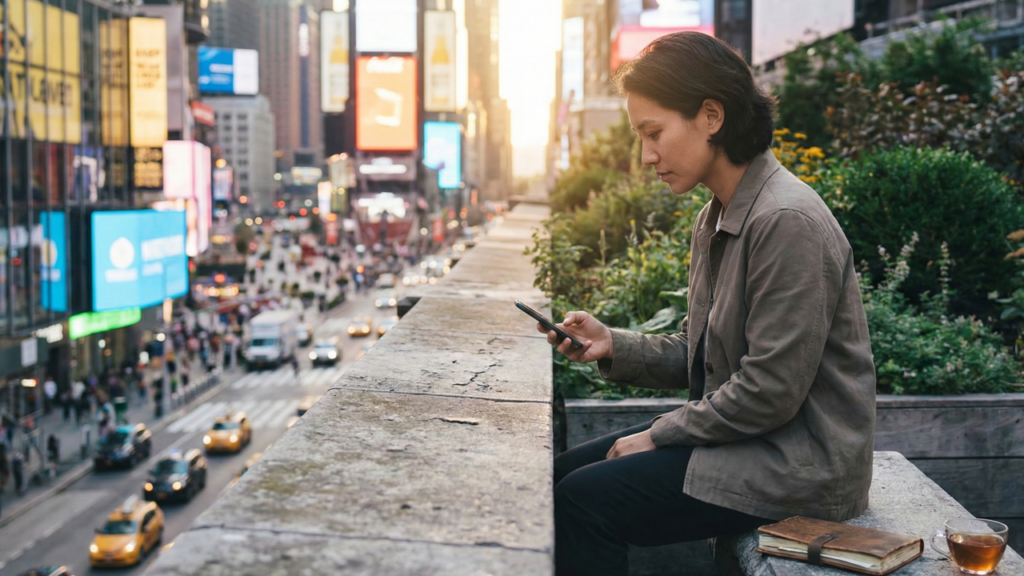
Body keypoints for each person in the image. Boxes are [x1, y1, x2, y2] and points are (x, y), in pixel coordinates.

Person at [543, 32, 876, 576]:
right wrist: (612, 344)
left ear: (712, 116)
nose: (647, 156)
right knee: (556, 475)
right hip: (750, 442)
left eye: (654, 133)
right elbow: (707, 353)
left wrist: (654, 435)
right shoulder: (717, 215)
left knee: (583, 500)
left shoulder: (785, 220)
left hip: (798, 465)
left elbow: (769, 390)